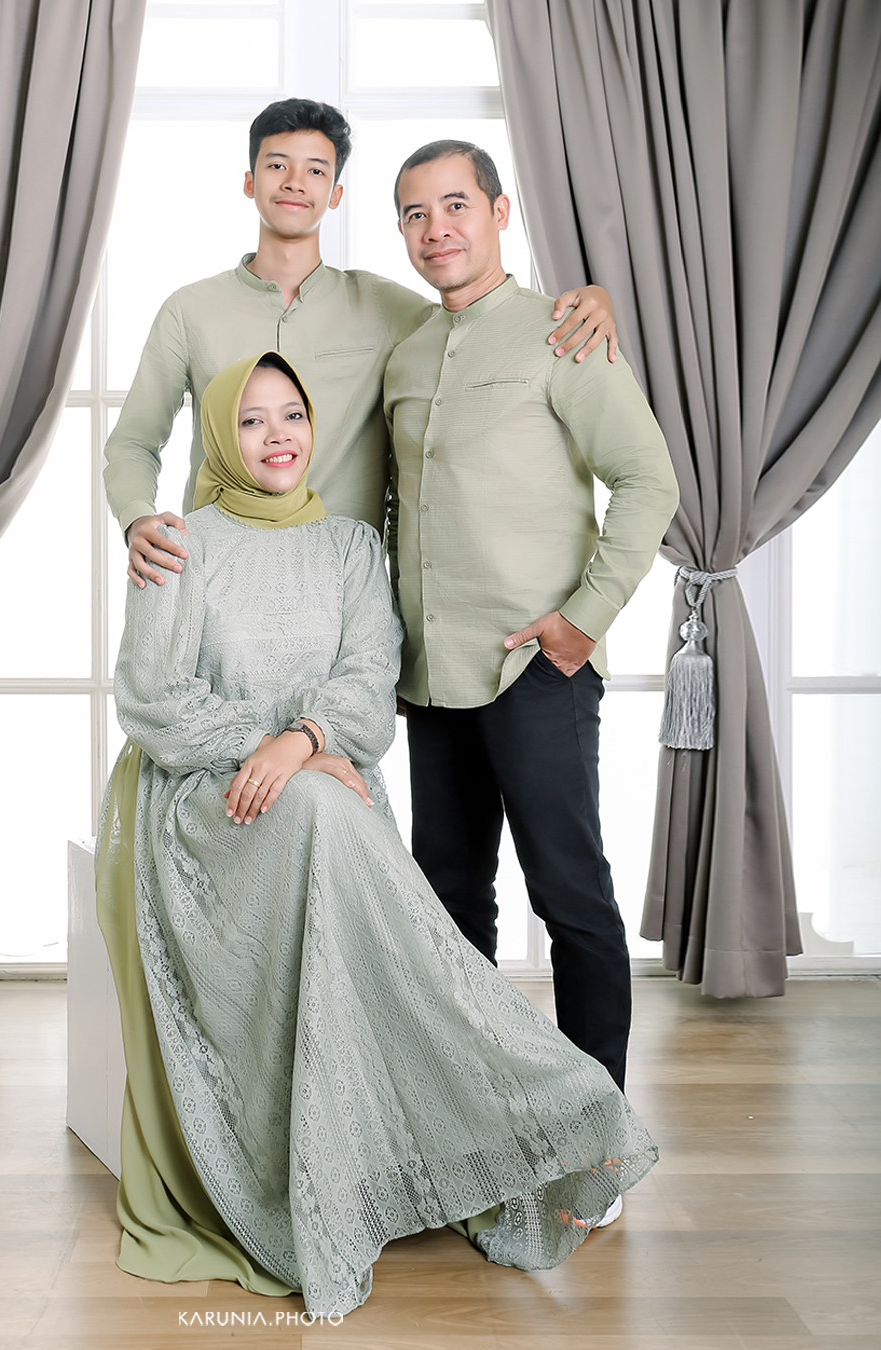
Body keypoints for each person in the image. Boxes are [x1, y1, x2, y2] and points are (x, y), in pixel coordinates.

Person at [96, 350, 657, 1319]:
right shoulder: (180, 542)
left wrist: (306, 740)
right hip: (208, 805)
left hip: (323, 783)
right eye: (254, 421)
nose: (277, 437)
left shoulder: (353, 548)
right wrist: (267, 750)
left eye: (294, 417)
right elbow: (151, 699)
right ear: (222, 436)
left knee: (329, 806)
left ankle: (527, 1110)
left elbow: (365, 688)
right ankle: (512, 1097)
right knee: (327, 810)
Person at [384, 142, 680, 1108]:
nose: (439, 229)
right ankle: (477, 1116)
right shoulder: (408, 351)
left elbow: (649, 480)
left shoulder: (563, 332)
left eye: (456, 205)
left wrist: (582, 623)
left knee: (572, 901)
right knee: (451, 906)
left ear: (501, 212)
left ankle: (597, 1136)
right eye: (417, 215)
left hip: (536, 671)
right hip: (431, 680)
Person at [103, 98, 619, 586]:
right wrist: (136, 518)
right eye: (277, 166)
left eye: (317, 170)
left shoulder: (387, 308)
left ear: (336, 194)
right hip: (220, 580)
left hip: (350, 594)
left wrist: (594, 299)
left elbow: (482, 321)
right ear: (249, 181)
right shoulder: (189, 310)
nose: (295, 183)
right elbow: (133, 442)